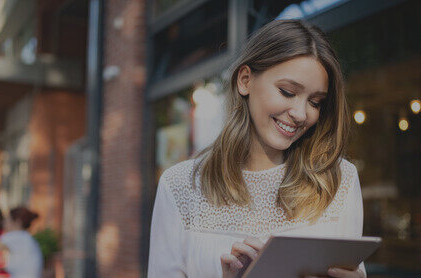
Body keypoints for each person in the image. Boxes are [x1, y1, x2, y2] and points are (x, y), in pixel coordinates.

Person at [148, 19, 366, 278]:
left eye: (315, 102)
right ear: (245, 80)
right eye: (287, 92)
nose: (300, 114)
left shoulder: (338, 180)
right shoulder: (180, 186)